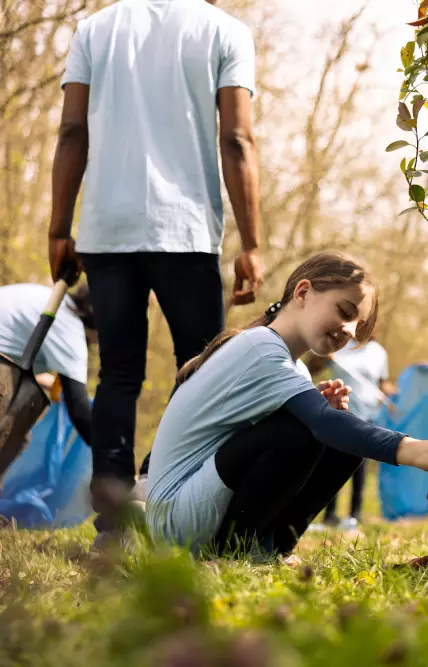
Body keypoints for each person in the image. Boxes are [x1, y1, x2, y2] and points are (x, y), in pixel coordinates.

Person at [47, 0, 266, 537]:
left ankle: (116, 524)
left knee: (118, 375)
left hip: (107, 227)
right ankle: (171, 505)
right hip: (185, 229)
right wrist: (252, 241)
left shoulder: (93, 30)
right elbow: (236, 139)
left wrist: (59, 227)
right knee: (201, 372)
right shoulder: (225, 32)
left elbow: (72, 132)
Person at [145, 253, 428, 559]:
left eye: (358, 326)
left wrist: (313, 410)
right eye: (344, 312)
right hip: (175, 521)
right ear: (302, 293)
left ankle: (270, 550)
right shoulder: (261, 347)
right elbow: (319, 424)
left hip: (199, 506)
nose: (349, 331)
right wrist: (413, 450)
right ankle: (232, 552)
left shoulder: (292, 365)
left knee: (340, 441)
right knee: (309, 431)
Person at [309, 337, 396, 531]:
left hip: (368, 415)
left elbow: (382, 384)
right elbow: (312, 368)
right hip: (341, 412)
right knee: (332, 464)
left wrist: (397, 396)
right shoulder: (339, 346)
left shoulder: (378, 351)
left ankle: (355, 514)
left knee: (359, 468)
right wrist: (322, 357)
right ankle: (329, 515)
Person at [0, 282, 96, 445]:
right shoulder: (70, 330)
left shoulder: (53, 300)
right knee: (12, 437)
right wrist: (114, 459)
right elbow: (80, 411)